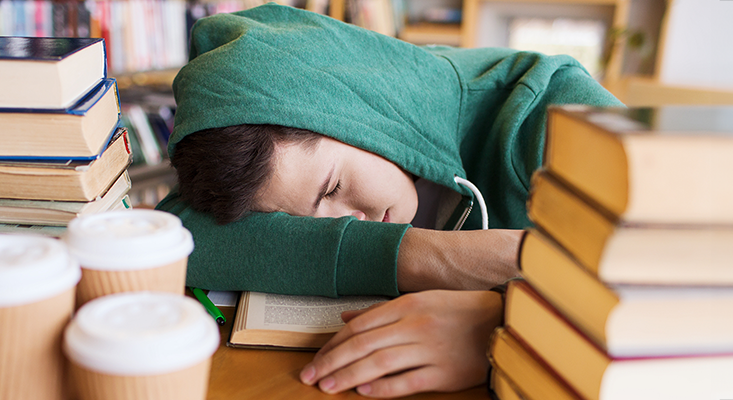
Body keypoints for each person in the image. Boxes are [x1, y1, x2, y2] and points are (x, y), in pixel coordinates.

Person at [156, 3, 623, 397]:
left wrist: (509, 328)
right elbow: (174, 228)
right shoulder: (333, 145)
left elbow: (688, 283)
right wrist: (421, 256)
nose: (350, 222)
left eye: (332, 188)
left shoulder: (556, 114)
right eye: (306, 222)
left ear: (356, 106)